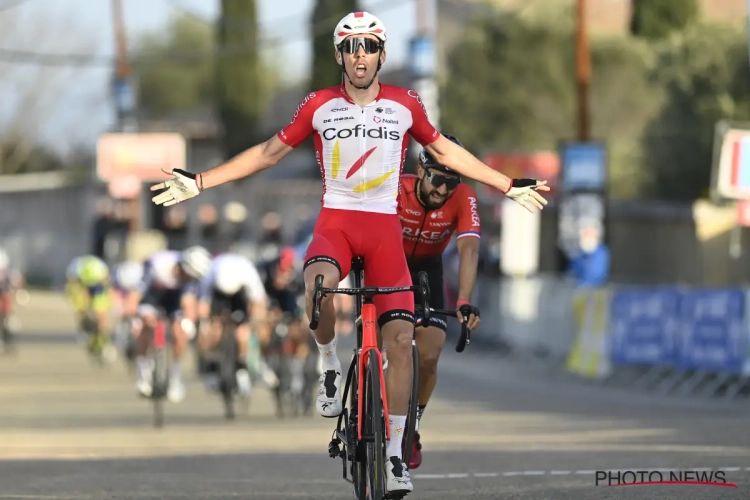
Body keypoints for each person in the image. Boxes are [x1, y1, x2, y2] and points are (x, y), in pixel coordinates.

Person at [149, 10, 549, 494]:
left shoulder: (406, 104)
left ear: (381, 55)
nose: (361, 55)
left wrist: (506, 184)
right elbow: (268, 153)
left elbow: (446, 153)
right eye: (351, 47)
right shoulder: (319, 104)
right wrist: (200, 181)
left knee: (402, 341)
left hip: (384, 233)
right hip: (336, 223)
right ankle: (328, 364)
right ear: (340, 55)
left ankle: (397, 456)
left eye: (370, 46)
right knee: (319, 291)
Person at [398, 134, 483, 470]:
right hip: (388, 263)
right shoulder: (396, 187)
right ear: (421, 170)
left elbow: (469, 250)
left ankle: (411, 425)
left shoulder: (464, 197)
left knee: (430, 355)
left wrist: (464, 299)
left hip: (428, 269)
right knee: (394, 339)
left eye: (452, 183)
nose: (443, 191)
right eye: (437, 180)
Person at [126, 246, 212, 402]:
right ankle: (143, 375)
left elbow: (189, 302)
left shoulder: (189, 280)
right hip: (153, 294)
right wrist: (133, 315)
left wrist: (189, 323)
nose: (189, 279)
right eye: (187, 275)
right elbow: (137, 292)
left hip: (175, 298)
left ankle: (175, 378)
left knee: (180, 332)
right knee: (145, 324)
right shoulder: (158, 264)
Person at [197, 252, 269, 397]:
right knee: (211, 330)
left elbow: (259, 302)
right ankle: (211, 367)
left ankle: (243, 367)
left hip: (240, 295)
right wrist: (205, 324)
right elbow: (203, 302)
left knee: (243, 332)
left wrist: (253, 323)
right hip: (218, 294)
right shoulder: (211, 274)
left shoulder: (248, 274)